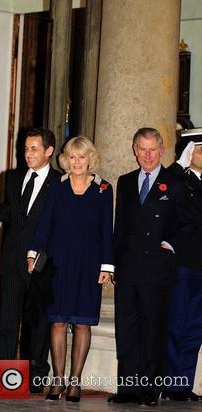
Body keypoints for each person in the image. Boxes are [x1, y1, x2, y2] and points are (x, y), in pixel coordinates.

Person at [109, 127, 194, 407]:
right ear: (134, 150)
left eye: (152, 149)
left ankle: (150, 390)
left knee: (153, 332)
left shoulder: (176, 183)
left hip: (157, 271)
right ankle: (128, 389)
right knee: (128, 331)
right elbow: (119, 228)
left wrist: (170, 244)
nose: (147, 155)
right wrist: (113, 265)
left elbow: (188, 225)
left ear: (162, 150)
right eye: (142, 149)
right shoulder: (125, 181)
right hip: (128, 269)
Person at [27, 136, 114, 402]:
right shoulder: (57, 187)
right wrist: (33, 253)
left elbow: (106, 231)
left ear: (90, 159)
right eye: (72, 157)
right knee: (57, 321)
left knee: (82, 324)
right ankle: (58, 380)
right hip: (58, 263)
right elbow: (44, 224)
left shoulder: (103, 189)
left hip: (89, 265)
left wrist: (107, 266)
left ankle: (75, 383)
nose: (77, 162)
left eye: (82, 157)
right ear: (66, 160)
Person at [0, 128, 60, 393]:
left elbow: (60, 226)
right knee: (6, 321)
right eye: (26, 148)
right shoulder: (13, 178)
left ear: (49, 151)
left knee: (38, 325)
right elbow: (6, 212)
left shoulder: (60, 183)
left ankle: (36, 377)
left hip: (42, 265)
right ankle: (3, 378)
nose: (28, 154)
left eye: (34, 149)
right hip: (11, 261)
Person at [161, 131, 202, 402]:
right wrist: (179, 165)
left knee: (195, 329)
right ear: (188, 151)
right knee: (176, 324)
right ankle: (172, 385)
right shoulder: (177, 181)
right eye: (199, 149)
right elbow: (160, 191)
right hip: (183, 264)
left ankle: (184, 385)